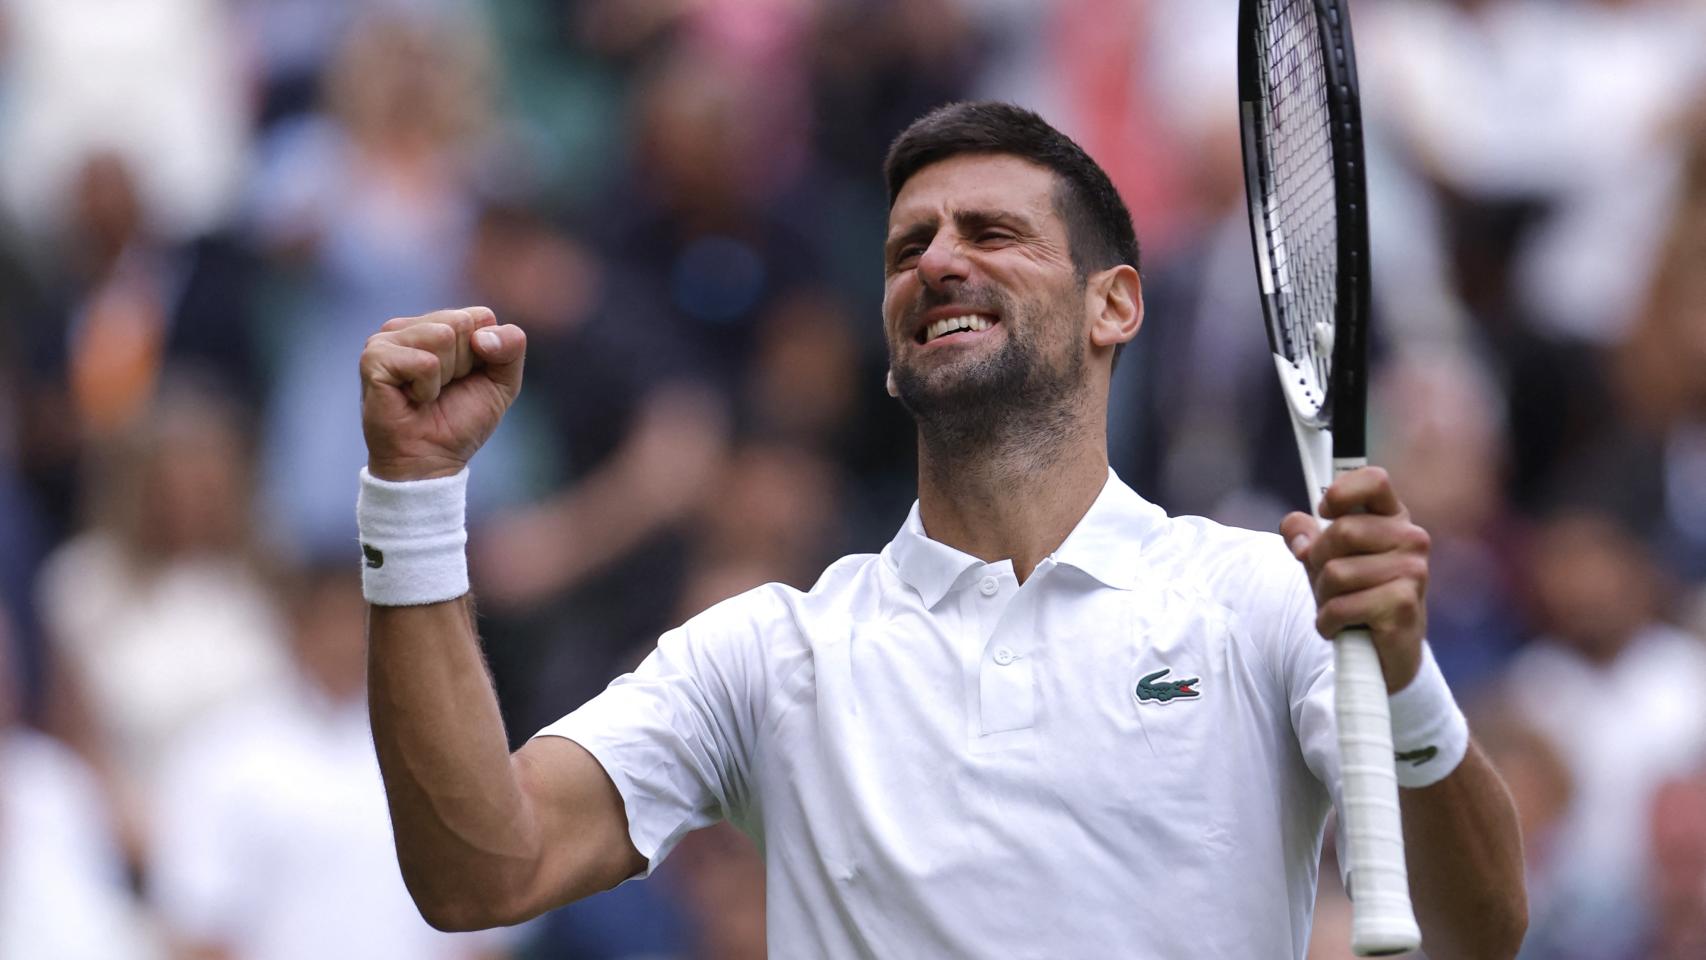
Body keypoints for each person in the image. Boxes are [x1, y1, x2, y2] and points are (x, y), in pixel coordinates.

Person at [354, 102, 1526, 957]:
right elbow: (480, 869)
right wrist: (412, 497)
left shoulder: (1258, 596)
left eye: (991, 233)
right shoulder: (767, 653)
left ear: (1113, 303)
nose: (938, 262)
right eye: (906, 248)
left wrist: (1408, 685)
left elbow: (1480, 932)